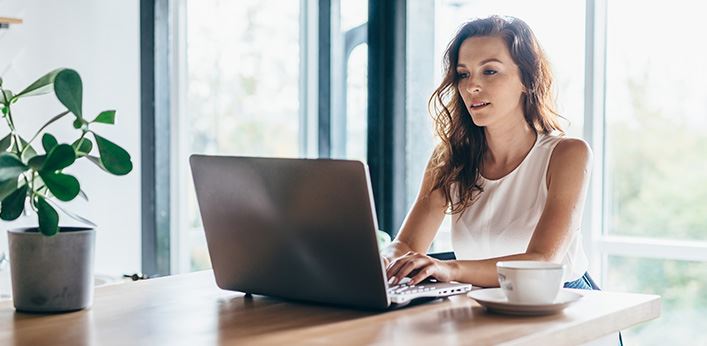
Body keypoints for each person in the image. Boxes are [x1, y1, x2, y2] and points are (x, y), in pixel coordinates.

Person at [381, 15, 597, 291]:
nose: (472, 86)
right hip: (482, 302)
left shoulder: (567, 154)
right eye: (463, 74)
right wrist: (383, 260)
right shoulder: (448, 159)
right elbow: (407, 245)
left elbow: (543, 261)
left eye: (490, 71)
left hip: (564, 304)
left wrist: (451, 269)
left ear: (527, 80)